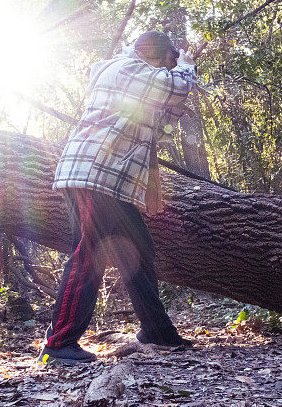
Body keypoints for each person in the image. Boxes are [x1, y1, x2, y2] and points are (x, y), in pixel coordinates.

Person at [41, 31, 197, 364]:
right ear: (155, 54)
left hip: (113, 182)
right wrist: (186, 66)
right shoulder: (126, 69)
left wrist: (172, 110)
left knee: (140, 252)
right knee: (88, 255)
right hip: (93, 174)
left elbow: (160, 127)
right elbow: (175, 86)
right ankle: (59, 342)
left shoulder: (141, 78)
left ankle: (156, 330)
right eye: (171, 59)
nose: (173, 66)